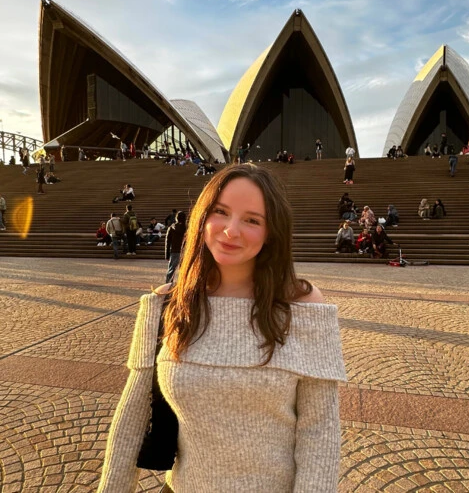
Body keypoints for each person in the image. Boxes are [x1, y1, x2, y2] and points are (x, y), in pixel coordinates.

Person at [98, 163, 346, 492]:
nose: (231, 230)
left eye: (252, 220)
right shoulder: (166, 305)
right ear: (202, 217)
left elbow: (320, 432)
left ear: (271, 232)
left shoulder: (303, 307)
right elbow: (132, 414)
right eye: (221, 212)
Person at [165, 211, 187, 283]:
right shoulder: (187, 228)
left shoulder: (171, 228)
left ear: (176, 218)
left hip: (174, 251)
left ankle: (168, 286)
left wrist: (167, 255)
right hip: (185, 251)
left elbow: (168, 242)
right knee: (184, 270)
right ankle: (183, 284)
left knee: (171, 270)